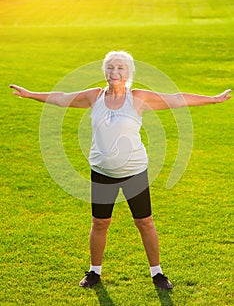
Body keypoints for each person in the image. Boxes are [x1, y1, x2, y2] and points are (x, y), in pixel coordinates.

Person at [10, 51, 231, 291]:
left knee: (144, 222)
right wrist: (31, 94)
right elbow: (63, 98)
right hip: (102, 172)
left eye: (120, 68)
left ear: (128, 73)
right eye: (110, 68)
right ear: (104, 71)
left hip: (135, 172)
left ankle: (157, 273)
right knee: (99, 223)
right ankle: (94, 272)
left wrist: (214, 99)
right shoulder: (94, 96)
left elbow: (176, 99)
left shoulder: (137, 98)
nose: (114, 72)